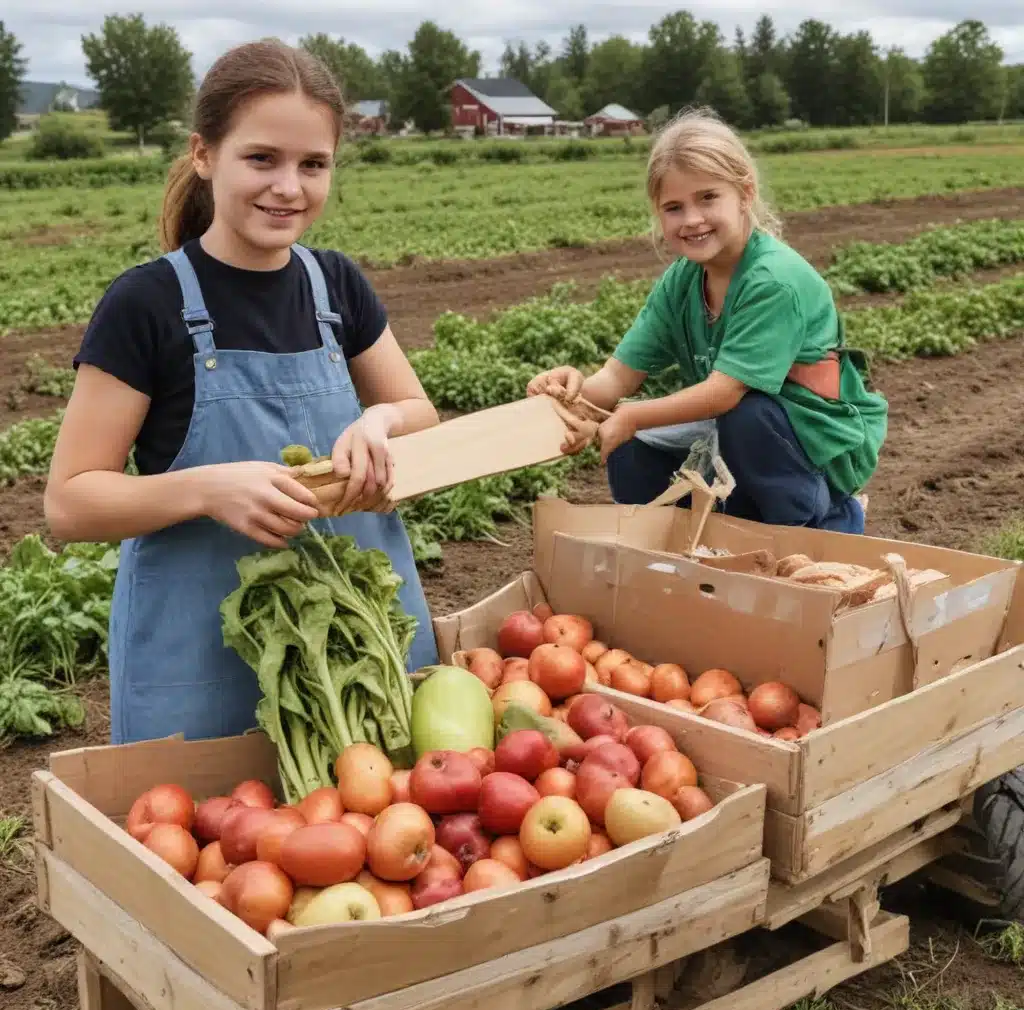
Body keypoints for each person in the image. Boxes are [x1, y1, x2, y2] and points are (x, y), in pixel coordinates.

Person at [43, 39, 440, 745]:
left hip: (351, 652)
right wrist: (207, 490)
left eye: (313, 165)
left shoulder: (336, 285)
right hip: (207, 655)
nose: (289, 187)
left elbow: (419, 414)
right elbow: (70, 502)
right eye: (262, 159)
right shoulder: (148, 302)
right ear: (204, 155)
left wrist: (379, 422)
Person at [528, 108, 887, 534]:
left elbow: (723, 393)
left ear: (745, 193)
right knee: (632, 441)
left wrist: (630, 416)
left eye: (708, 198)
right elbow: (616, 379)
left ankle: (822, 518)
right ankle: (701, 536)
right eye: (674, 207)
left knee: (746, 416)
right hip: (743, 434)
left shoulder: (774, 280)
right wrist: (571, 392)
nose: (692, 219)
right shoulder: (681, 282)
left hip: (815, 441)